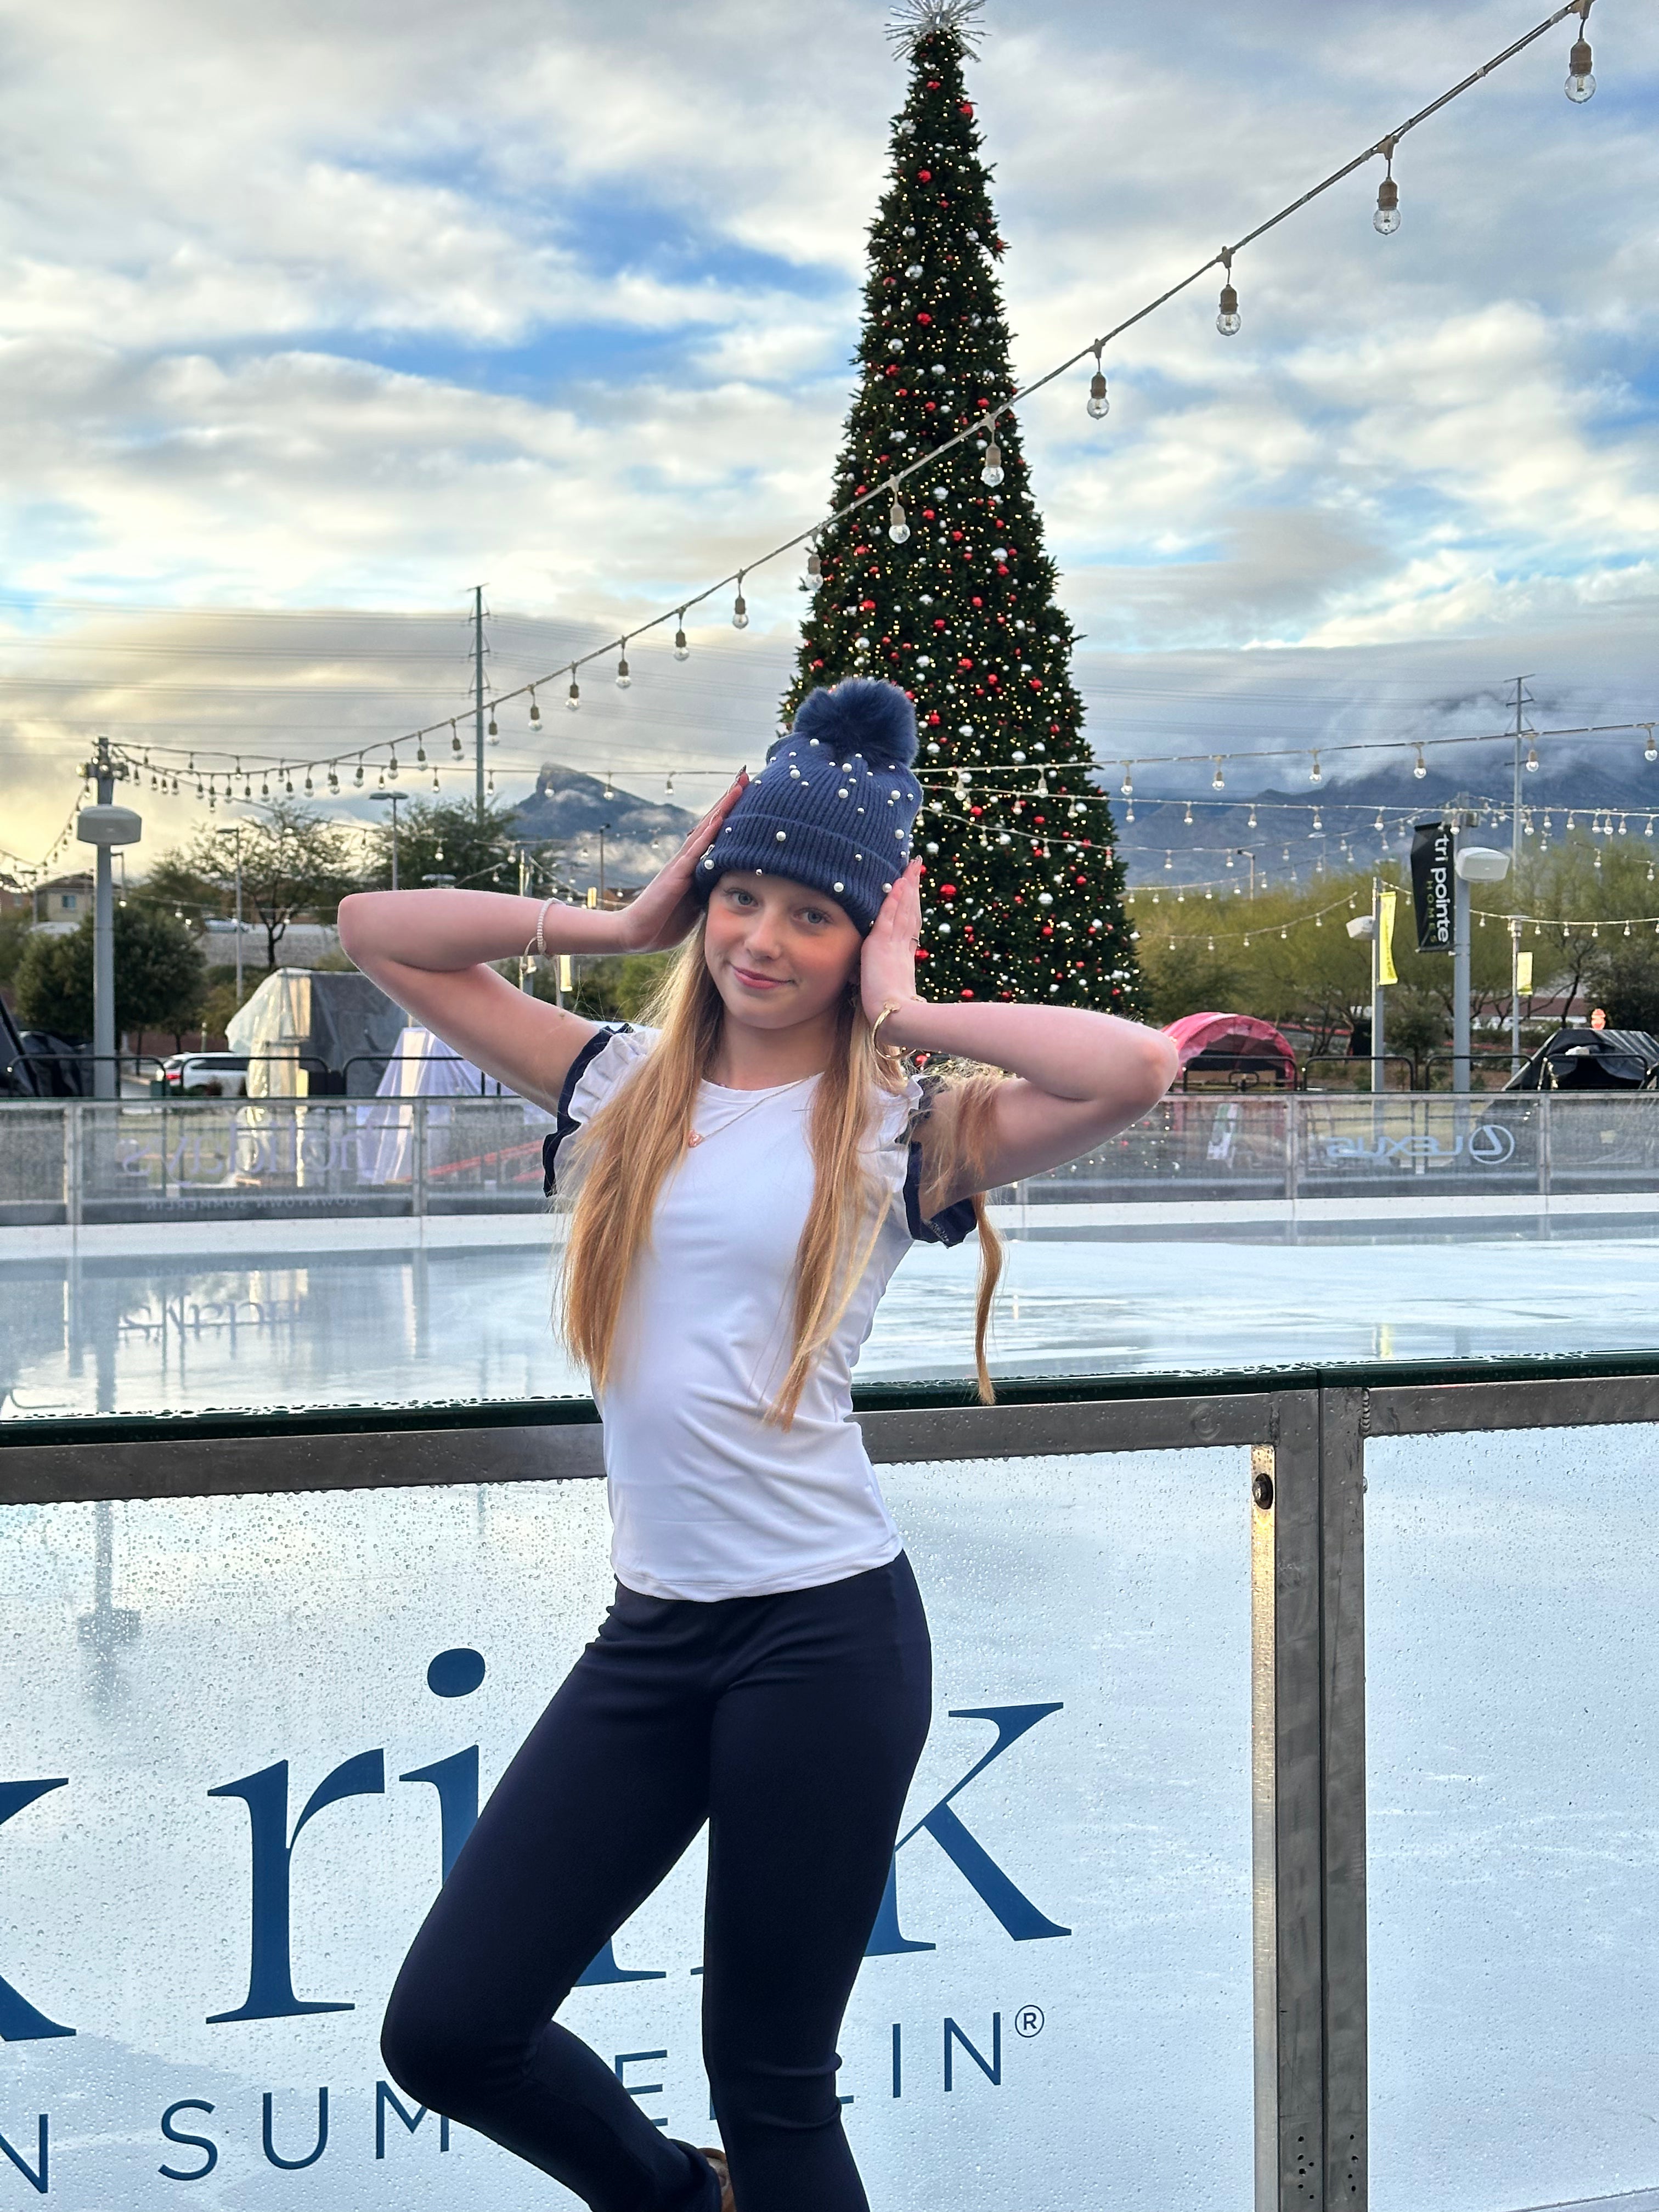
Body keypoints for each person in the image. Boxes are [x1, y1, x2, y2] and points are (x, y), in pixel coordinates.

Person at [338, 678, 1177, 2212]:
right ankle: (680, 2202)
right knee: (451, 2029)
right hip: (654, 1639)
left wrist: (911, 1004)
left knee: (775, 2090)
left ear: (860, 939)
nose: (764, 941)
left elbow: (1132, 1071)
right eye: (744, 897)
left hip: (826, 1641)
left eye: (813, 914)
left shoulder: (903, 1133)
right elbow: (373, 929)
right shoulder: (616, 1089)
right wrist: (626, 920)